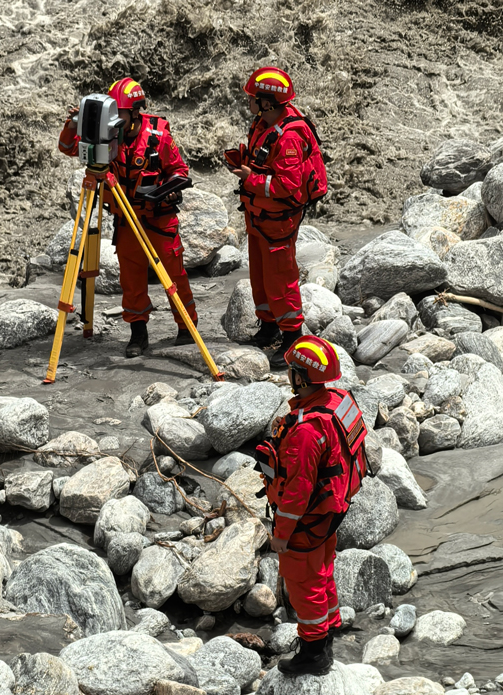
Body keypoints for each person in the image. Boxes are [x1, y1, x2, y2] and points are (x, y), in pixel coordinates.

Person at [254, 335, 371, 676]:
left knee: (302, 581)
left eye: (292, 370)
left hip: (307, 520)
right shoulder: (339, 400)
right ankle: (330, 623)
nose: (289, 375)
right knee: (321, 569)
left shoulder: (306, 431)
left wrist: (281, 533)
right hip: (332, 510)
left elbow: (298, 490)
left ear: (302, 377)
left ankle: (315, 652)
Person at [58, 78, 198, 358]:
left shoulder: (158, 137)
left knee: (175, 275)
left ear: (135, 112)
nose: (111, 118)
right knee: (131, 280)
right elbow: (68, 148)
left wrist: (168, 191)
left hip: (159, 218)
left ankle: (187, 326)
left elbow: (179, 170)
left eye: (117, 112)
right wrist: (74, 123)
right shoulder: (107, 136)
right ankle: (138, 332)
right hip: (126, 218)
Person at [227, 67, 328, 369]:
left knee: (281, 280)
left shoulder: (289, 139)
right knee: (259, 274)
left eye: (253, 98)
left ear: (268, 103)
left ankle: (292, 338)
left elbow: (287, 185)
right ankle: (269, 325)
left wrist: (250, 178)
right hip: (260, 217)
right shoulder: (263, 123)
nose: (249, 102)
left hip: (278, 221)